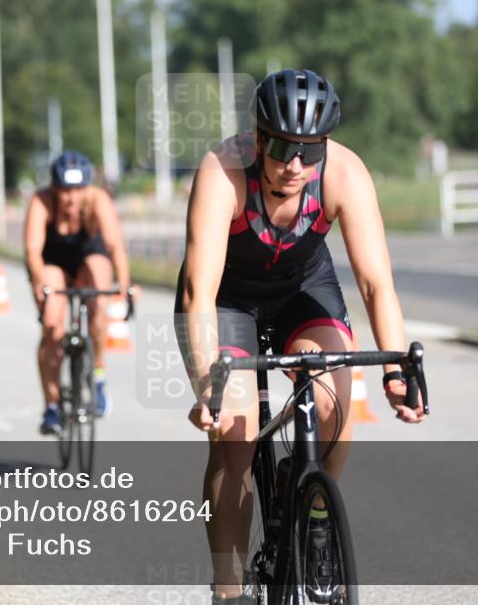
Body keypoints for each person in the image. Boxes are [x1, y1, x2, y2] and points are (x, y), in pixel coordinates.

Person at [175, 69, 427, 603]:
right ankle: (228, 590)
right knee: (236, 435)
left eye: (309, 152)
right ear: (259, 137)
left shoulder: (345, 174)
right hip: (228, 298)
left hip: (302, 291)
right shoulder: (223, 171)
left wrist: (396, 371)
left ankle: (312, 510)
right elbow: (200, 290)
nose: (294, 165)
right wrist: (206, 386)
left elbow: (376, 284)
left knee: (334, 401)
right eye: (283, 148)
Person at [24, 151, 130, 435]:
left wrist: (125, 284)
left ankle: (97, 376)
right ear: (55, 188)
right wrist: (39, 282)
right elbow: (32, 250)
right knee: (51, 326)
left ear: (87, 187)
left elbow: (115, 245)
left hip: (88, 258)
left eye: (78, 190)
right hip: (52, 263)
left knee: (97, 304)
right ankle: (51, 407)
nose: (71, 198)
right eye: (65, 190)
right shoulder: (42, 201)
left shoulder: (97, 200)